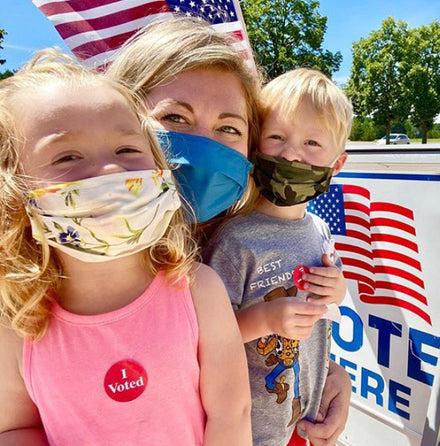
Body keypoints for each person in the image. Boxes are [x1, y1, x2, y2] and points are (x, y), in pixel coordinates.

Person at [106, 16, 351, 446]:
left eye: (228, 128)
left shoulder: (217, 229)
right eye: (176, 117)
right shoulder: (69, 270)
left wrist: (332, 376)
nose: (206, 145)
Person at [0, 49, 251, 445]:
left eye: (127, 150)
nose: (112, 170)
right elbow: (15, 428)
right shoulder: (17, 325)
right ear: (12, 191)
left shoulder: (200, 290)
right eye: (67, 156)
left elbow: (231, 413)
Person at [203, 67, 353, 446]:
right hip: (249, 428)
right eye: (277, 137)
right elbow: (205, 339)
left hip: (302, 416)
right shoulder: (235, 240)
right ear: (256, 146)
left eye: (312, 144)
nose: (291, 154)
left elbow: (327, 311)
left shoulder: (319, 230)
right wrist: (264, 319)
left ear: (336, 165)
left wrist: (337, 291)